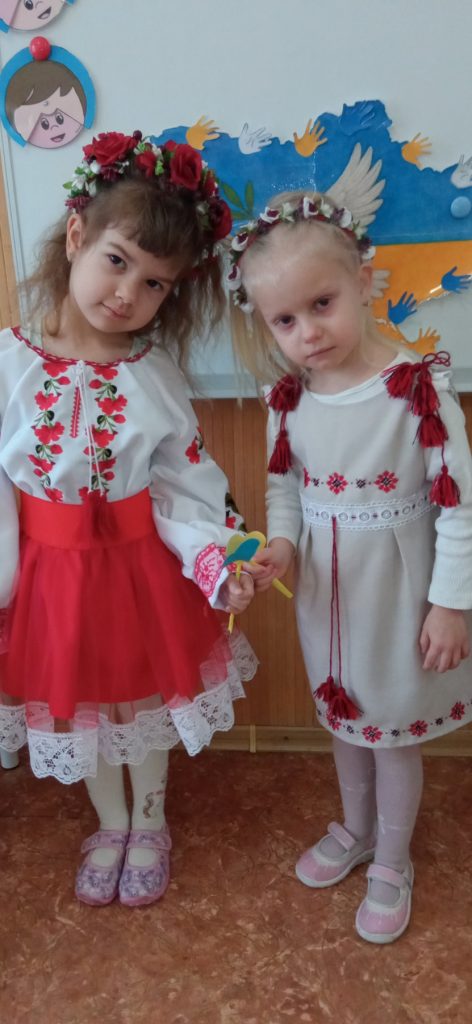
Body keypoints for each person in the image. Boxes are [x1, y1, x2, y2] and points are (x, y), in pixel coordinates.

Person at [0, 130, 257, 907]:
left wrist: (216, 558)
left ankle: (150, 821)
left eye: (154, 283)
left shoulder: (153, 375)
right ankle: (109, 822)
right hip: (48, 582)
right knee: (80, 708)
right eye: (117, 261)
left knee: (144, 702)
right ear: (77, 235)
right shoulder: (9, 364)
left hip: (142, 574)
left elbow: (187, 484)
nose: (127, 293)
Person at [229, 191, 472, 944]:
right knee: (344, 716)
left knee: (391, 730)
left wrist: (450, 604)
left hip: (399, 593)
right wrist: (282, 546)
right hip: (328, 596)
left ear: (363, 282)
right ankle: (357, 828)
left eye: (322, 304)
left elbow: (459, 505)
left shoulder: (416, 389)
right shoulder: (288, 400)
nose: (307, 332)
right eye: (285, 320)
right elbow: (285, 491)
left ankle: (393, 859)